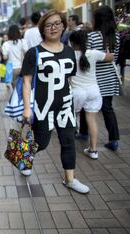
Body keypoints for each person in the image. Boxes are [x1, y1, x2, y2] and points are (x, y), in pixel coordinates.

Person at [21, 10, 89, 194]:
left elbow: (69, 79)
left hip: (65, 106)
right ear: (42, 28)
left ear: (63, 26)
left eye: (57, 23)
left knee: (68, 141)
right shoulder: (33, 53)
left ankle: (70, 179)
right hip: (43, 107)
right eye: (49, 24)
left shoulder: (68, 51)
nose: (53, 28)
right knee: (41, 143)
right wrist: (27, 108)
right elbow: (26, 82)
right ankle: (24, 157)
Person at [69, 30, 114, 159]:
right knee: (92, 120)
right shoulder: (93, 53)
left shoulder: (70, 54)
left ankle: (70, 149)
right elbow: (110, 57)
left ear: (72, 43)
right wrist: (108, 51)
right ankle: (93, 150)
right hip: (93, 91)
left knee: (71, 120)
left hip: (77, 92)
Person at [83, 5, 121, 151]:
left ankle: (84, 133)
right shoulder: (116, 36)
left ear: (97, 19)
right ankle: (114, 139)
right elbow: (115, 58)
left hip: (95, 79)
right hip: (110, 78)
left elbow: (87, 57)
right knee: (107, 108)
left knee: (88, 106)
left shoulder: (92, 36)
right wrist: (106, 57)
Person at [2, 25, 28, 89]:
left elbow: (5, 57)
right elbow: (27, 53)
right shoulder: (23, 42)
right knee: (24, 87)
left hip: (11, 69)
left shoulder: (6, 44)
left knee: (15, 89)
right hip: (23, 67)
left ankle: (16, 99)